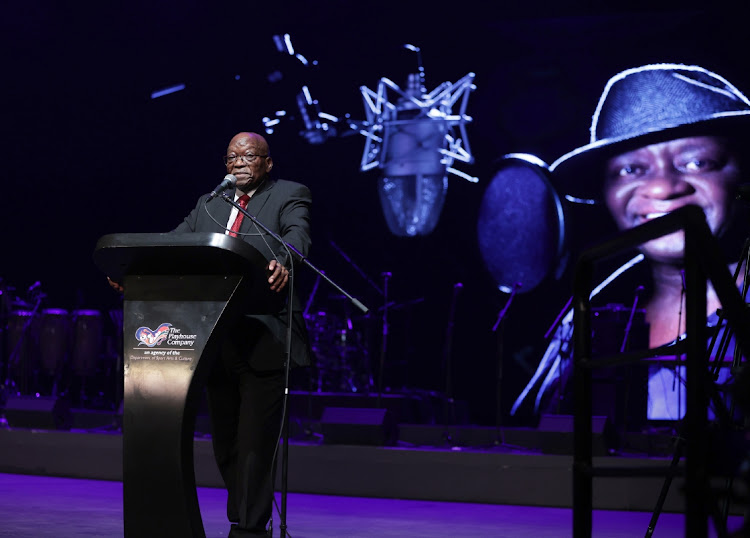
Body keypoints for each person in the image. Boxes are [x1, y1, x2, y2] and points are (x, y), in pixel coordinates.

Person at [511, 64, 750, 421]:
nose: (663, 188)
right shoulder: (590, 314)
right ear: (606, 192)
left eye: (698, 162)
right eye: (631, 170)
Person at [111, 132, 312, 537]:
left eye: (249, 155)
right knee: (227, 445)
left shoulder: (289, 194)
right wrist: (135, 270)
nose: (238, 162)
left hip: (265, 338)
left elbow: (297, 236)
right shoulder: (209, 203)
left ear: (267, 163)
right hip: (213, 340)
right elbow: (172, 244)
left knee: (256, 445)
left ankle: (250, 527)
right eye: (231, 157)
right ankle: (243, 513)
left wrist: (284, 261)